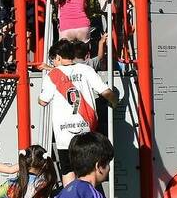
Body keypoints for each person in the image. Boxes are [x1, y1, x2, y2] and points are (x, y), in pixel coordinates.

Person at [38, 39, 118, 185]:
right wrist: (115, 102)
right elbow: (106, 92)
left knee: (68, 171)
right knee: (89, 171)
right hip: (86, 130)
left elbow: (43, 101)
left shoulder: (53, 75)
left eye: (53, 59)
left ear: (58, 57)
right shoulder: (86, 70)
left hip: (64, 135)